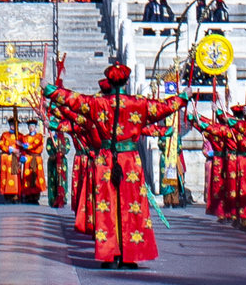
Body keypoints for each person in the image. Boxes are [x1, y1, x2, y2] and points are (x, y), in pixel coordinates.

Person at [45, 66, 183, 269]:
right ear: (126, 82)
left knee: (106, 205)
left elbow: (73, 100)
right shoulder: (138, 103)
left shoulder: (96, 103)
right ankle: (130, 255)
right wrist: (183, 98)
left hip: (105, 159)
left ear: (108, 82)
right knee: (132, 206)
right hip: (130, 160)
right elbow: (164, 107)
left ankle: (109, 255)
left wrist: (50, 90)